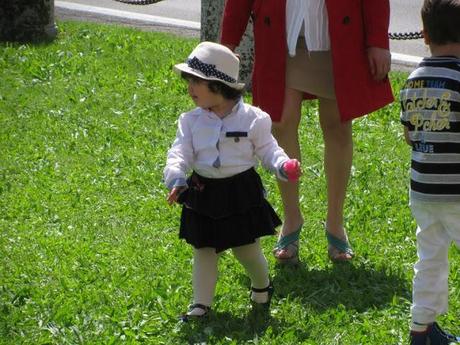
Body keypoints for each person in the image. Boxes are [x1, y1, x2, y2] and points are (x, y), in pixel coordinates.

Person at [220, 0, 394, 263]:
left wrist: (378, 41)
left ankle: (335, 223)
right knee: (280, 122)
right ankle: (292, 218)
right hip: (282, 32)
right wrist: (227, 44)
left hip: (335, 32)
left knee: (337, 126)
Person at [163, 41, 301, 321]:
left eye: (196, 82)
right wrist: (176, 176)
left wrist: (282, 165)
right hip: (203, 190)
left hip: (238, 192)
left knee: (245, 248)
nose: (189, 89)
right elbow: (180, 151)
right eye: (188, 81)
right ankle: (200, 304)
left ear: (218, 85)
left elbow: (267, 150)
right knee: (203, 248)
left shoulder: (253, 119)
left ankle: (262, 285)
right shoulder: (190, 121)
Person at [400, 0, 460, 344]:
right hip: (457, 191)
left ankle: (421, 329)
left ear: (423, 35)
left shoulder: (413, 80)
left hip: (424, 191)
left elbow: (410, 135)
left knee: (430, 260)